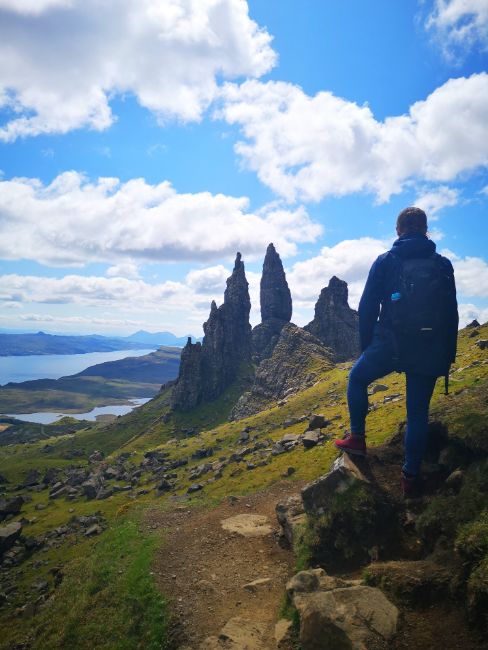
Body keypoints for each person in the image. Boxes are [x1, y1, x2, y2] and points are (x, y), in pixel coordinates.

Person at [334, 207, 458, 497]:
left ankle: (357, 438)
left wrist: (366, 348)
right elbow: (451, 312)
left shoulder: (386, 261)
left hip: (390, 344)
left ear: (398, 230)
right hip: (429, 348)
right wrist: (447, 355)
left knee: (356, 378)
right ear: (426, 229)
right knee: (417, 414)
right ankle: (410, 477)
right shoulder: (443, 264)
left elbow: (367, 308)